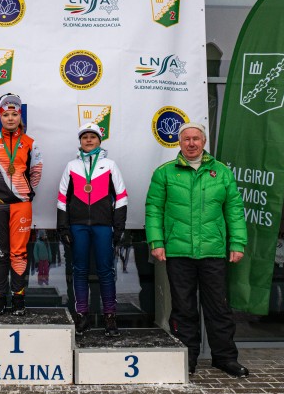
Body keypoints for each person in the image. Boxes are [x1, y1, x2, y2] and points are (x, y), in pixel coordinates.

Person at [145, 122, 249, 377]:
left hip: (213, 251)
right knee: (183, 308)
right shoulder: (165, 173)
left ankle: (225, 358)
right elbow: (153, 209)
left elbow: (234, 210)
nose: (191, 143)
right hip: (178, 252)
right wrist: (156, 242)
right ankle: (187, 358)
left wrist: (237, 243)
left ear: (204, 142)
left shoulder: (221, 172)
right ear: (179, 143)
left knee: (219, 307)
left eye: (196, 138)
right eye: (186, 139)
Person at [57, 122, 127, 336]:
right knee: (80, 271)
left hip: (103, 226)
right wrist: (63, 227)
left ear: (99, 140)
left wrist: (118, 227)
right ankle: (82, 316)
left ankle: (110, 317)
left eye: (93, 136)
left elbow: (121, 196)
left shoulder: (110, 165)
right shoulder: (71, 166)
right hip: (78, 226)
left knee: (106, 271)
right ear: (80, 141)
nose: (88, 140)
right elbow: (62, 197)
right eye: (85, 137)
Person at [0, 93, 43, 316]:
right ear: (0, 117)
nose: (10, 118)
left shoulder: (30, 143)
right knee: (0, 253)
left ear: (19, 116)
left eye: (14, 114)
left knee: (19, 253)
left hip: (21, 205)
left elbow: (36, 172)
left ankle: (18, 299)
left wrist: (24, 193)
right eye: (6, 115)